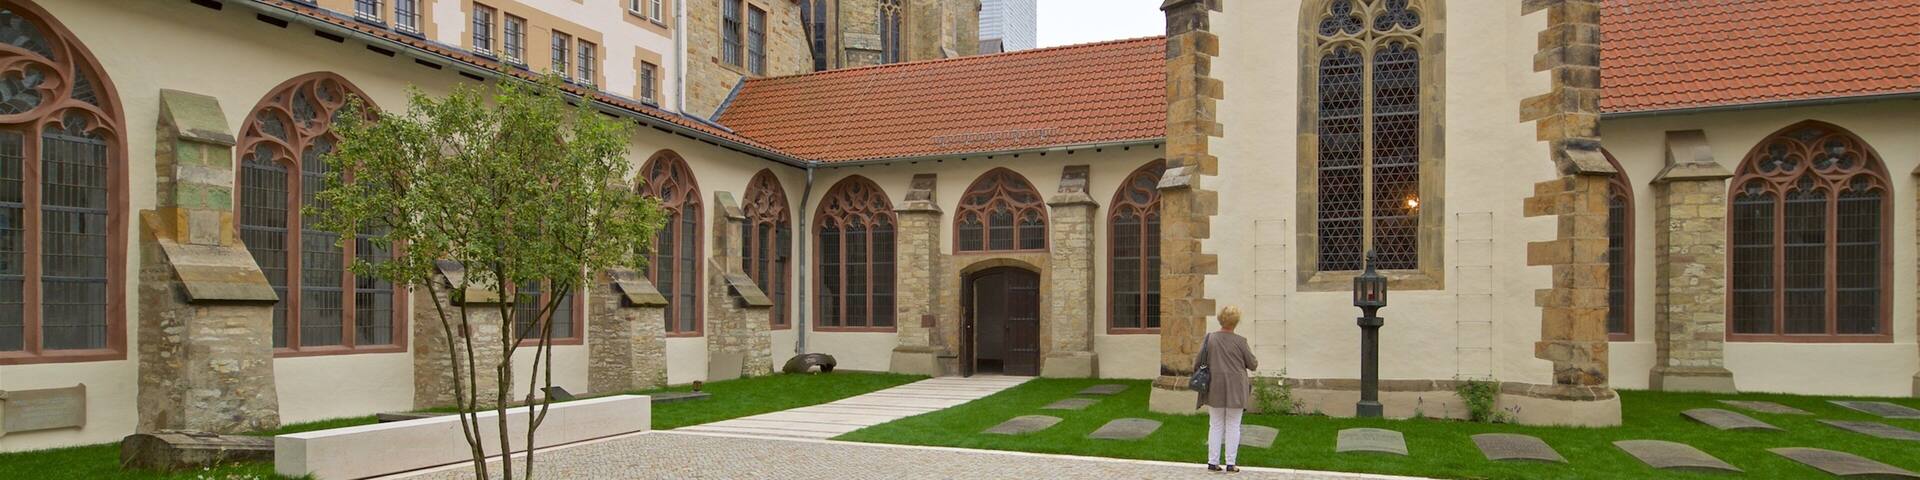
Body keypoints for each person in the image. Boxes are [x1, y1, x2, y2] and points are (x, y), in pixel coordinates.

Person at [1196, 306, 1257, 473]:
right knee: (1233, 425)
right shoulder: (1241, 341)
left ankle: (1213, 462)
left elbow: (1198, 362)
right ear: (1236, 322)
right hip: (1237, 388)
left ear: (1220, 319)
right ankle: (1231, 463)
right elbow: (1253, 364)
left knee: (1215, 425)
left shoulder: (1209, 339)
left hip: (1214, 386)